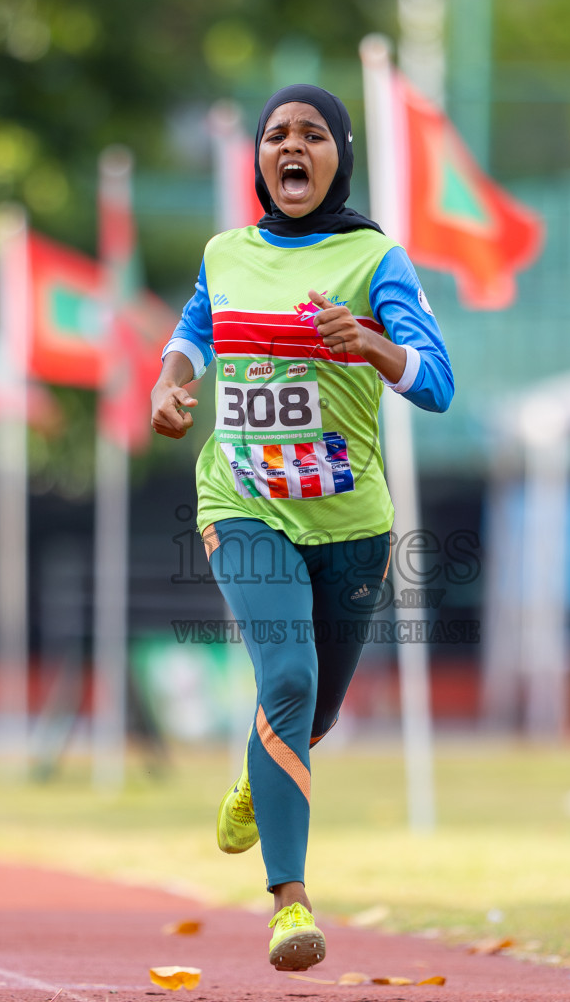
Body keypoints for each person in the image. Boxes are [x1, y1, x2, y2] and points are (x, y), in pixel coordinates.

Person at [149, 84, 453, 972]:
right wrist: (170, 384)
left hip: (351, 522)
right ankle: (292, 903)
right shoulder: (225, 252)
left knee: (311, 712)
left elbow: (435, 382)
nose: (292, 146)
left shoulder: (375, 259)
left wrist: (374, 345)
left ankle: (257, 778)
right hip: (241, 502)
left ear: (339, 155)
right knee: (285, 674)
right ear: (258, 159)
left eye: (312, 134)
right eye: (276, 134)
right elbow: (194, 331)